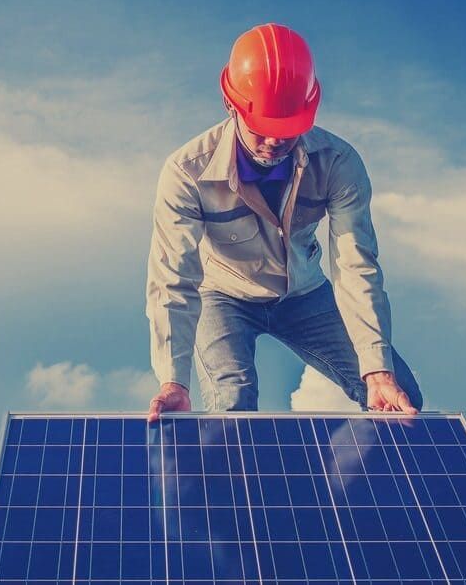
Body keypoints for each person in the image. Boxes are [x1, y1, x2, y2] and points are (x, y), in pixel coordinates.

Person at [145, 22, 423, 423]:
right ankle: (251, 483)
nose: (275, 142)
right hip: (222, 297)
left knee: (400, 398)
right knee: (233, 407)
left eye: (288, 129)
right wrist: (174, 381)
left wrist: (377, 370)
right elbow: (173, 278)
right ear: (231, 106)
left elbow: (356, 265)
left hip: (305, 295)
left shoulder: (339, 164)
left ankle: (329, 481)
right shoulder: (186, 172)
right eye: (263, 130)